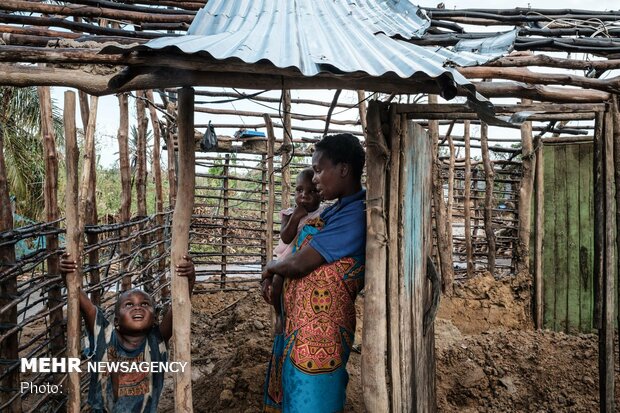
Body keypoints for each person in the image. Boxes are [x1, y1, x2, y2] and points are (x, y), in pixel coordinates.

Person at [261, 133, 366, 412]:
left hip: (320, 339)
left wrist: (270, 268)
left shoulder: (356, 216)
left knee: (315, 402)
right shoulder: (334, 212)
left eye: (319, 170)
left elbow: (298, 264)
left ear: (343, 169)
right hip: (301, 332)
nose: (314, 179)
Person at [59, 253, 195, 413]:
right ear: (116, 322)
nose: (138, 307)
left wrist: (189, 279)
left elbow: (180, 304)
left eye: (145, 304)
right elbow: (85, 305)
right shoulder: (105, 336)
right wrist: (67, 274)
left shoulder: (156, 341)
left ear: (154, 320)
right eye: (129, 305)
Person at [270, 168, 324, 333]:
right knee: (277, 281)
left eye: (311, 191)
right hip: (288, 256)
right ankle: (279, 314)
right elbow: (286, 238)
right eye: (299, 190)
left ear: (321, 194)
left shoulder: (323, 214)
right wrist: (295, 217)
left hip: (307, 257)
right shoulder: (289, 214)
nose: (304, 195)